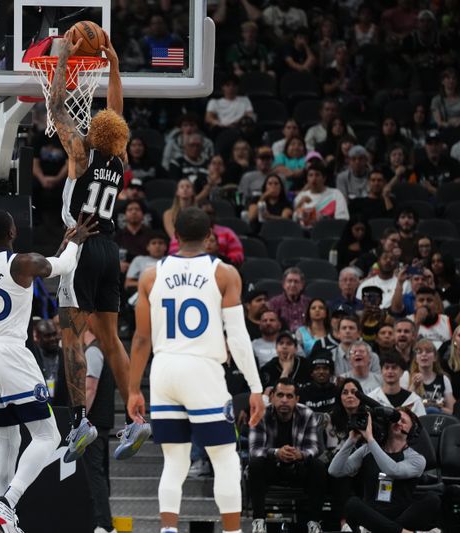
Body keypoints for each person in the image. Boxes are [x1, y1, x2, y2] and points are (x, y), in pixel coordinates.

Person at [127, 206, 265, 533]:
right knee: (226, 460)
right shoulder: (224, 273)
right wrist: (255, 387)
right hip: (202, 369)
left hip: (164, 370)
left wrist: (134, 389)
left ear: (174, 237)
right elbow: (239, 337)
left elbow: (141, 337)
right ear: (209, 237)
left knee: (174, 462)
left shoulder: (150, 275)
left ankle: (168, 529)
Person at [48, 32, 151, 461]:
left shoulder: (80, 154)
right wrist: (114, 67)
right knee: (110, 341)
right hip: (111, 251)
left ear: (91, 131)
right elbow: (117, 111)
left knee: (70, 337)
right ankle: (136, 419)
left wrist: (63, 59)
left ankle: (78, 424)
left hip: (82, 245)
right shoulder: (118, 157)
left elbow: (55, 109)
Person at [0, 210, 96, 530]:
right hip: (10, 353)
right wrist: (76, 242)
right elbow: (62, 267)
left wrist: (61, 247)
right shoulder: (21, 262)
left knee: (7, 439)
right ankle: (6, 503)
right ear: (13, 232)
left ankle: (3, 522)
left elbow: (32, 272)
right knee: (47, 435)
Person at [328, 406, 441, 533]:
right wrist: (351, 440)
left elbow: (393, 470)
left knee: (432, 499)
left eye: (403, 421)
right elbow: (334, 470)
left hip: (400, 515)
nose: (398, 423)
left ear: (412, 430)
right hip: (372, 515)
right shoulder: (367, 450)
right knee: (352, 503)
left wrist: (370, 439)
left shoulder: (417, 459)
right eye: (395, 419)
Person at [248, 378, 327, 533]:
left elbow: (314, 447)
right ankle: (259, 522)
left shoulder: (306, 413)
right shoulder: (261, 414)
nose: (284, 400)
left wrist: (300, 454)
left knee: (318, 466)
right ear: (271, 397)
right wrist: (276, 453)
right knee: (255, 463)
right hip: (271, 469)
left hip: (297, 468)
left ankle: (313, 522)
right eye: (280, 395)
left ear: (297, 399)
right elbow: (254, 449)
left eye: (289, 396)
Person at [82, 328, 117, 533]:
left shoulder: (93, 351)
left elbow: (90, 387)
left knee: (95, 473)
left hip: (94, 423)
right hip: (100, 421)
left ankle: (104, 524)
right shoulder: (101, 349)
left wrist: (81, 418)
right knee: (100, 472)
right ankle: (104, 522)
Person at [293, 162, 349, 229]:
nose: (314, 178)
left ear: (324, 178)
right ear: (307, 179)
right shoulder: (301, 197)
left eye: (317, 175)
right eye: (310, 175)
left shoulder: (336, 194)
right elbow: (294, 220)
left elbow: (342, 219)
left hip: (329, 231)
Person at [408, 339, 456, 415]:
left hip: (437, 420)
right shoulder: (407, 376)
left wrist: (436, 408)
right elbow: (404, 408)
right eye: (419, 352)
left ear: (435, 357)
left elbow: (452, 411)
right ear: (416, 359)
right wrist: (413, 386)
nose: (424, 354)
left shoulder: (443, 379)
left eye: (428, 351)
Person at [267, 267, 311, 331]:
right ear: (284, 284)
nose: (293, 285)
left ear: (302, 285)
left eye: (296, 282)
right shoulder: (273, 303)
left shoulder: (309, 303)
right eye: (289, 281)